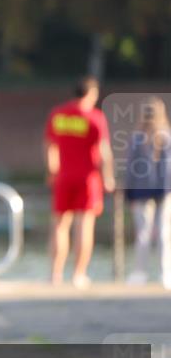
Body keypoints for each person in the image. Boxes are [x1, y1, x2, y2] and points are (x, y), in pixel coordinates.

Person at [44, 76, 116, 288]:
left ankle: (55, 275)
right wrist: (108, 177)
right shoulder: (95, 117)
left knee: (59, 225)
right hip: (88, 178)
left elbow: (50, 146)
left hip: (63, 176)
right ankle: (78, 274)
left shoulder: (58, 115)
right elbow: (104, 151)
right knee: (84, 225)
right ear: (91, 93)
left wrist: (52, 171)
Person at [124, 96, 171, 289]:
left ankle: (142, 273)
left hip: (145, 191)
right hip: (163, 190)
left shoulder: (138, 138)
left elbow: (131, 168)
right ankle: (163, 273)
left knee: (145, 233)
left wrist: (130, 191)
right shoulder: (166, 136)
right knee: (161, 233)